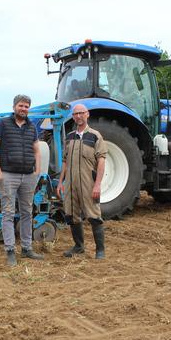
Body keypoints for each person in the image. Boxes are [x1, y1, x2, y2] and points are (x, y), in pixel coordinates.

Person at [0, 94, 44, 267]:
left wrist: (37, 171)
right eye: (21, 106)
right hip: (8, 175)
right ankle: (10, 250)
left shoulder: (31, 127)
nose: (24, 109)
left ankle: (27, 248)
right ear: (14, 107)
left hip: (28, 176)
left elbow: (37, 151)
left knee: (27, 212)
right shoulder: (3, 124)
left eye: (26, 106)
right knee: (9, 213)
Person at [57, 104, 108, 259]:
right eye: (75, 114)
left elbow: (101, 161)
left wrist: (97, 184)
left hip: (87, 183)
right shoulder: (70, 137)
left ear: (87, 114)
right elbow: (65, 161)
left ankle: (100, 250)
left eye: (81, 113)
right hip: (71, 183)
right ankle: (79, 246)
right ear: (73, 116)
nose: (78, 116)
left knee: (93, 215)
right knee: (71, 214)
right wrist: (60, 182)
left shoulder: (95, 136)